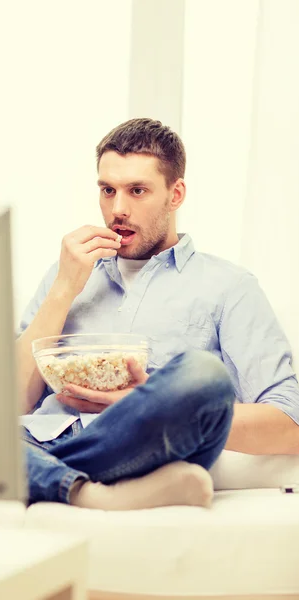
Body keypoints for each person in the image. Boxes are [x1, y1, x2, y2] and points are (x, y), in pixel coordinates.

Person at [17, 118, 299, 510]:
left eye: (137, 191)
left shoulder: (229, 285)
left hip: (145, 444)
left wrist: (148, 403)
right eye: (107, 190)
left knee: (204, 374)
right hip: (42, 440)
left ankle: (42, 479)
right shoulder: (65, 274)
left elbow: (290, 425)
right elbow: (8, 402)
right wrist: (63, 290)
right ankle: (88, 492)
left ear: (175, 193)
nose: (117, 209)